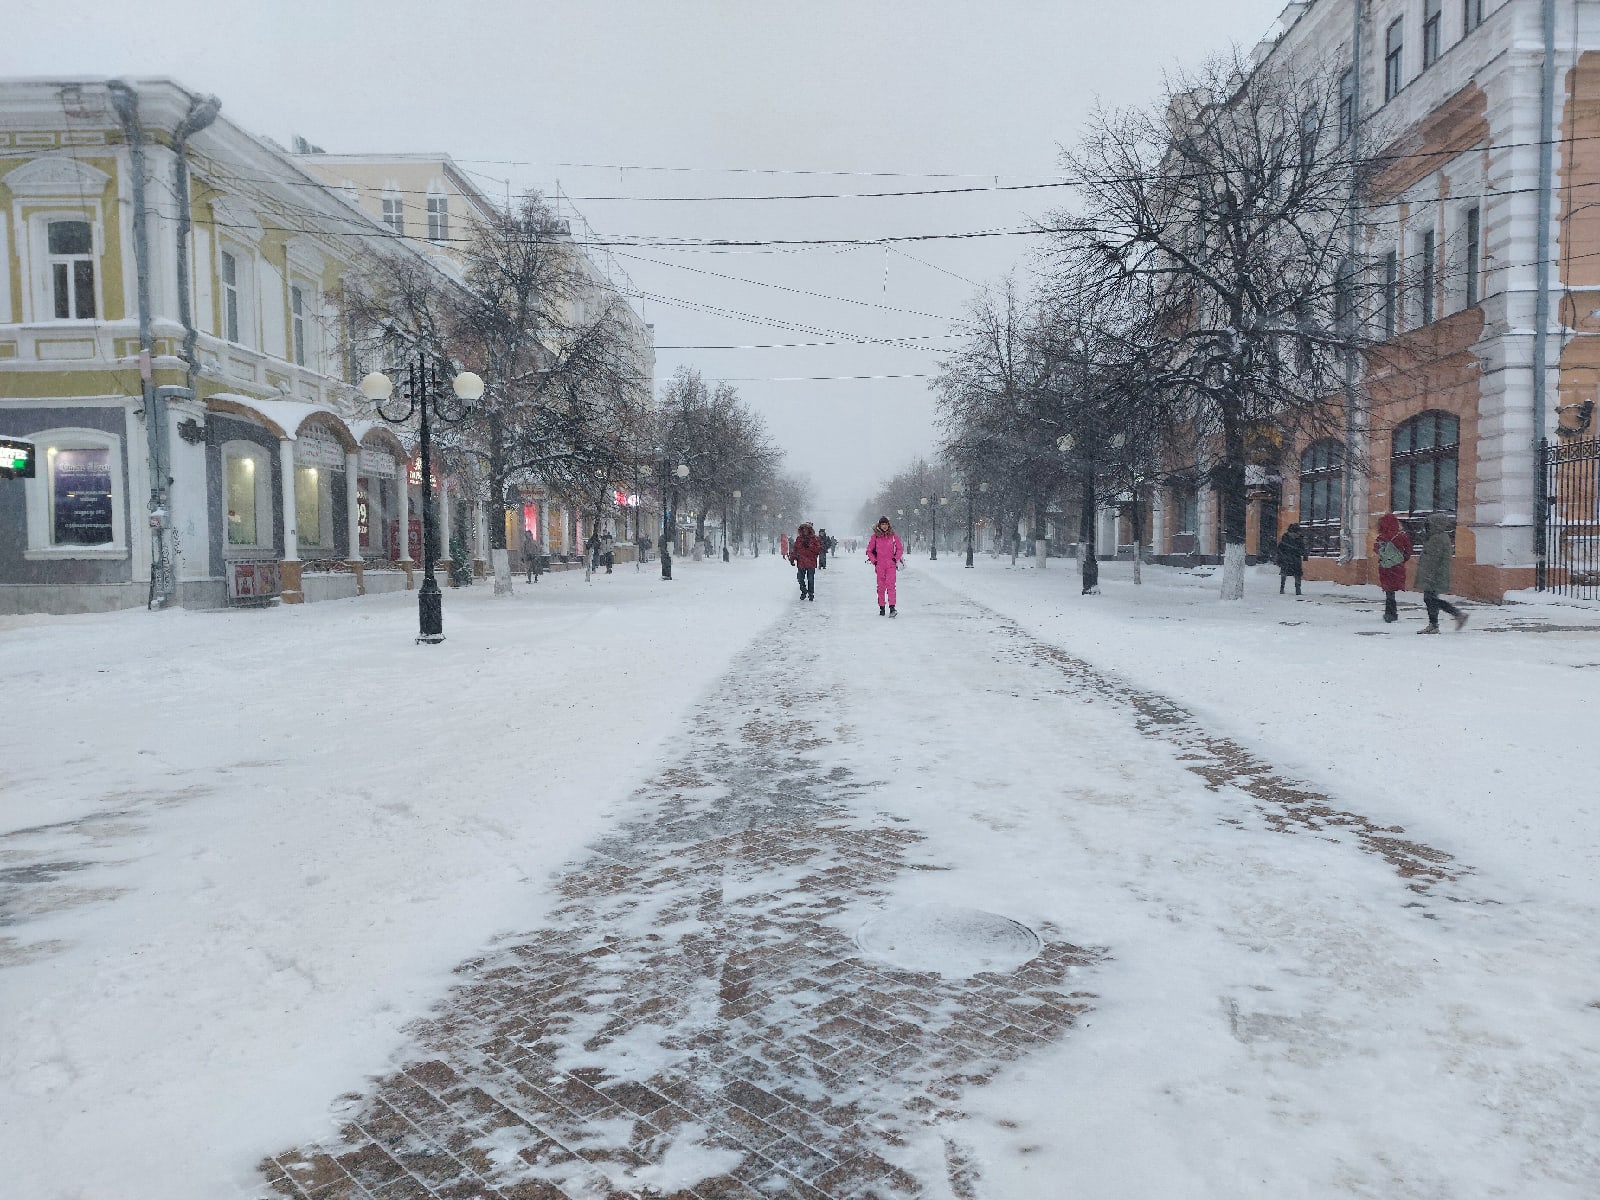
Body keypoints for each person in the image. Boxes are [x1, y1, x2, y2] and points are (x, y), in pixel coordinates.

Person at [1414, 512, 1468, 633]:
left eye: (1428, 524)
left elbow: (1433, 559)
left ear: (1435, 525)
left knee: (1431, 599)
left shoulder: (1438, 538)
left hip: (1433, 575)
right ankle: (1434, 624)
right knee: (1430, 599)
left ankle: (1457, 614)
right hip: (1433, 574)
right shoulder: (1435, 537)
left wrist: (1429, 576)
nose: (1426, 527)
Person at [1374, 512, 1413, 623]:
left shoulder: (1381, 537)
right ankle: (1392, 612)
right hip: (1397, 567)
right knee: (1392, 590)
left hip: (1385, 567)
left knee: (1389, 590)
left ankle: (1390, 613)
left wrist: (1386, 555)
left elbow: (1376, 549)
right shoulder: (1402, 535)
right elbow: (1408, 550)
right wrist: (1400, 559)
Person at [866, 515, 904, 616]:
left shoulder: (893, 536)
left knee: (891, 586)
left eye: (886, 524)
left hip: (890, 565)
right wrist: (875, 561)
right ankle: (882, 607)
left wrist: (895, 558)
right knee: (881, 587)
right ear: (879, 525)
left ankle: (892, 608)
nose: (884, 526)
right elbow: (869, 551)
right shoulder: (875, 537)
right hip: (880, 566)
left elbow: (900, 548)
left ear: (888, 525)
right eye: (882, 524)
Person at [789, 522, 823, 601]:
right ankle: (803, 591)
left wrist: (810, 546)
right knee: (800, 579)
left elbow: (818, 549)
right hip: (801, 562)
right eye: (803, 529)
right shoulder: (799, 539)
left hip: (811, 562)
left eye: (806, 529)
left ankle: (811, 593)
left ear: (809, 530)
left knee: (810, 579)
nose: (805, 530)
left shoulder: (814, 538)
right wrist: (792, 559)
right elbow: (795, 549)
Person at [1277, 522, 1307, 596]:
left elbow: (1303, 549)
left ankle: (1298, 590)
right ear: (1291, 532)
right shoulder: (1285, 539)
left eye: (1298, 533)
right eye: (1296, 533)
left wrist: (1304, 554)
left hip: (1296, 559)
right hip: (1286, 559)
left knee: (1298, 574)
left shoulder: (1300, 539)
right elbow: (1279, 550)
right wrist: (1282, 558)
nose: (1297, 535)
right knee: (1284, 574)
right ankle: (1282, 588)